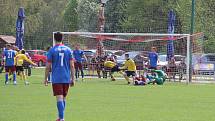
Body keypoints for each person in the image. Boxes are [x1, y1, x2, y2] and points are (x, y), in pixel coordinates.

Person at [44, 32, 75, 121]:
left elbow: (47, 67)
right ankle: (60, 117)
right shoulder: (68, 50)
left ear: (54, 38)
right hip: (66, 78)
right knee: (63, 98)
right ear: (62, 38)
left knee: (59, 98)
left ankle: (61, 118)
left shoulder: (52, 50)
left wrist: (45, 78)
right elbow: (72, 65)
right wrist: (73, 78)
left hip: (57, 78)